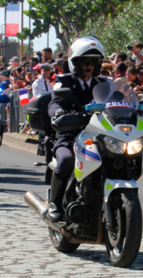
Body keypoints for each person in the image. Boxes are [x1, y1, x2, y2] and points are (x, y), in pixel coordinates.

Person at [46, 36, 110, 223]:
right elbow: (55, 102)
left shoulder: (103, 84)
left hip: (99, 135)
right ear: (75, 63)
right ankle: (54, 203)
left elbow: (117, 100)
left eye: (93, 62)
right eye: (84, 61)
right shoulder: (64, 82)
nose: (89, 66)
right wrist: (58, 113)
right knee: (66, 159)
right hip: (71, 133)